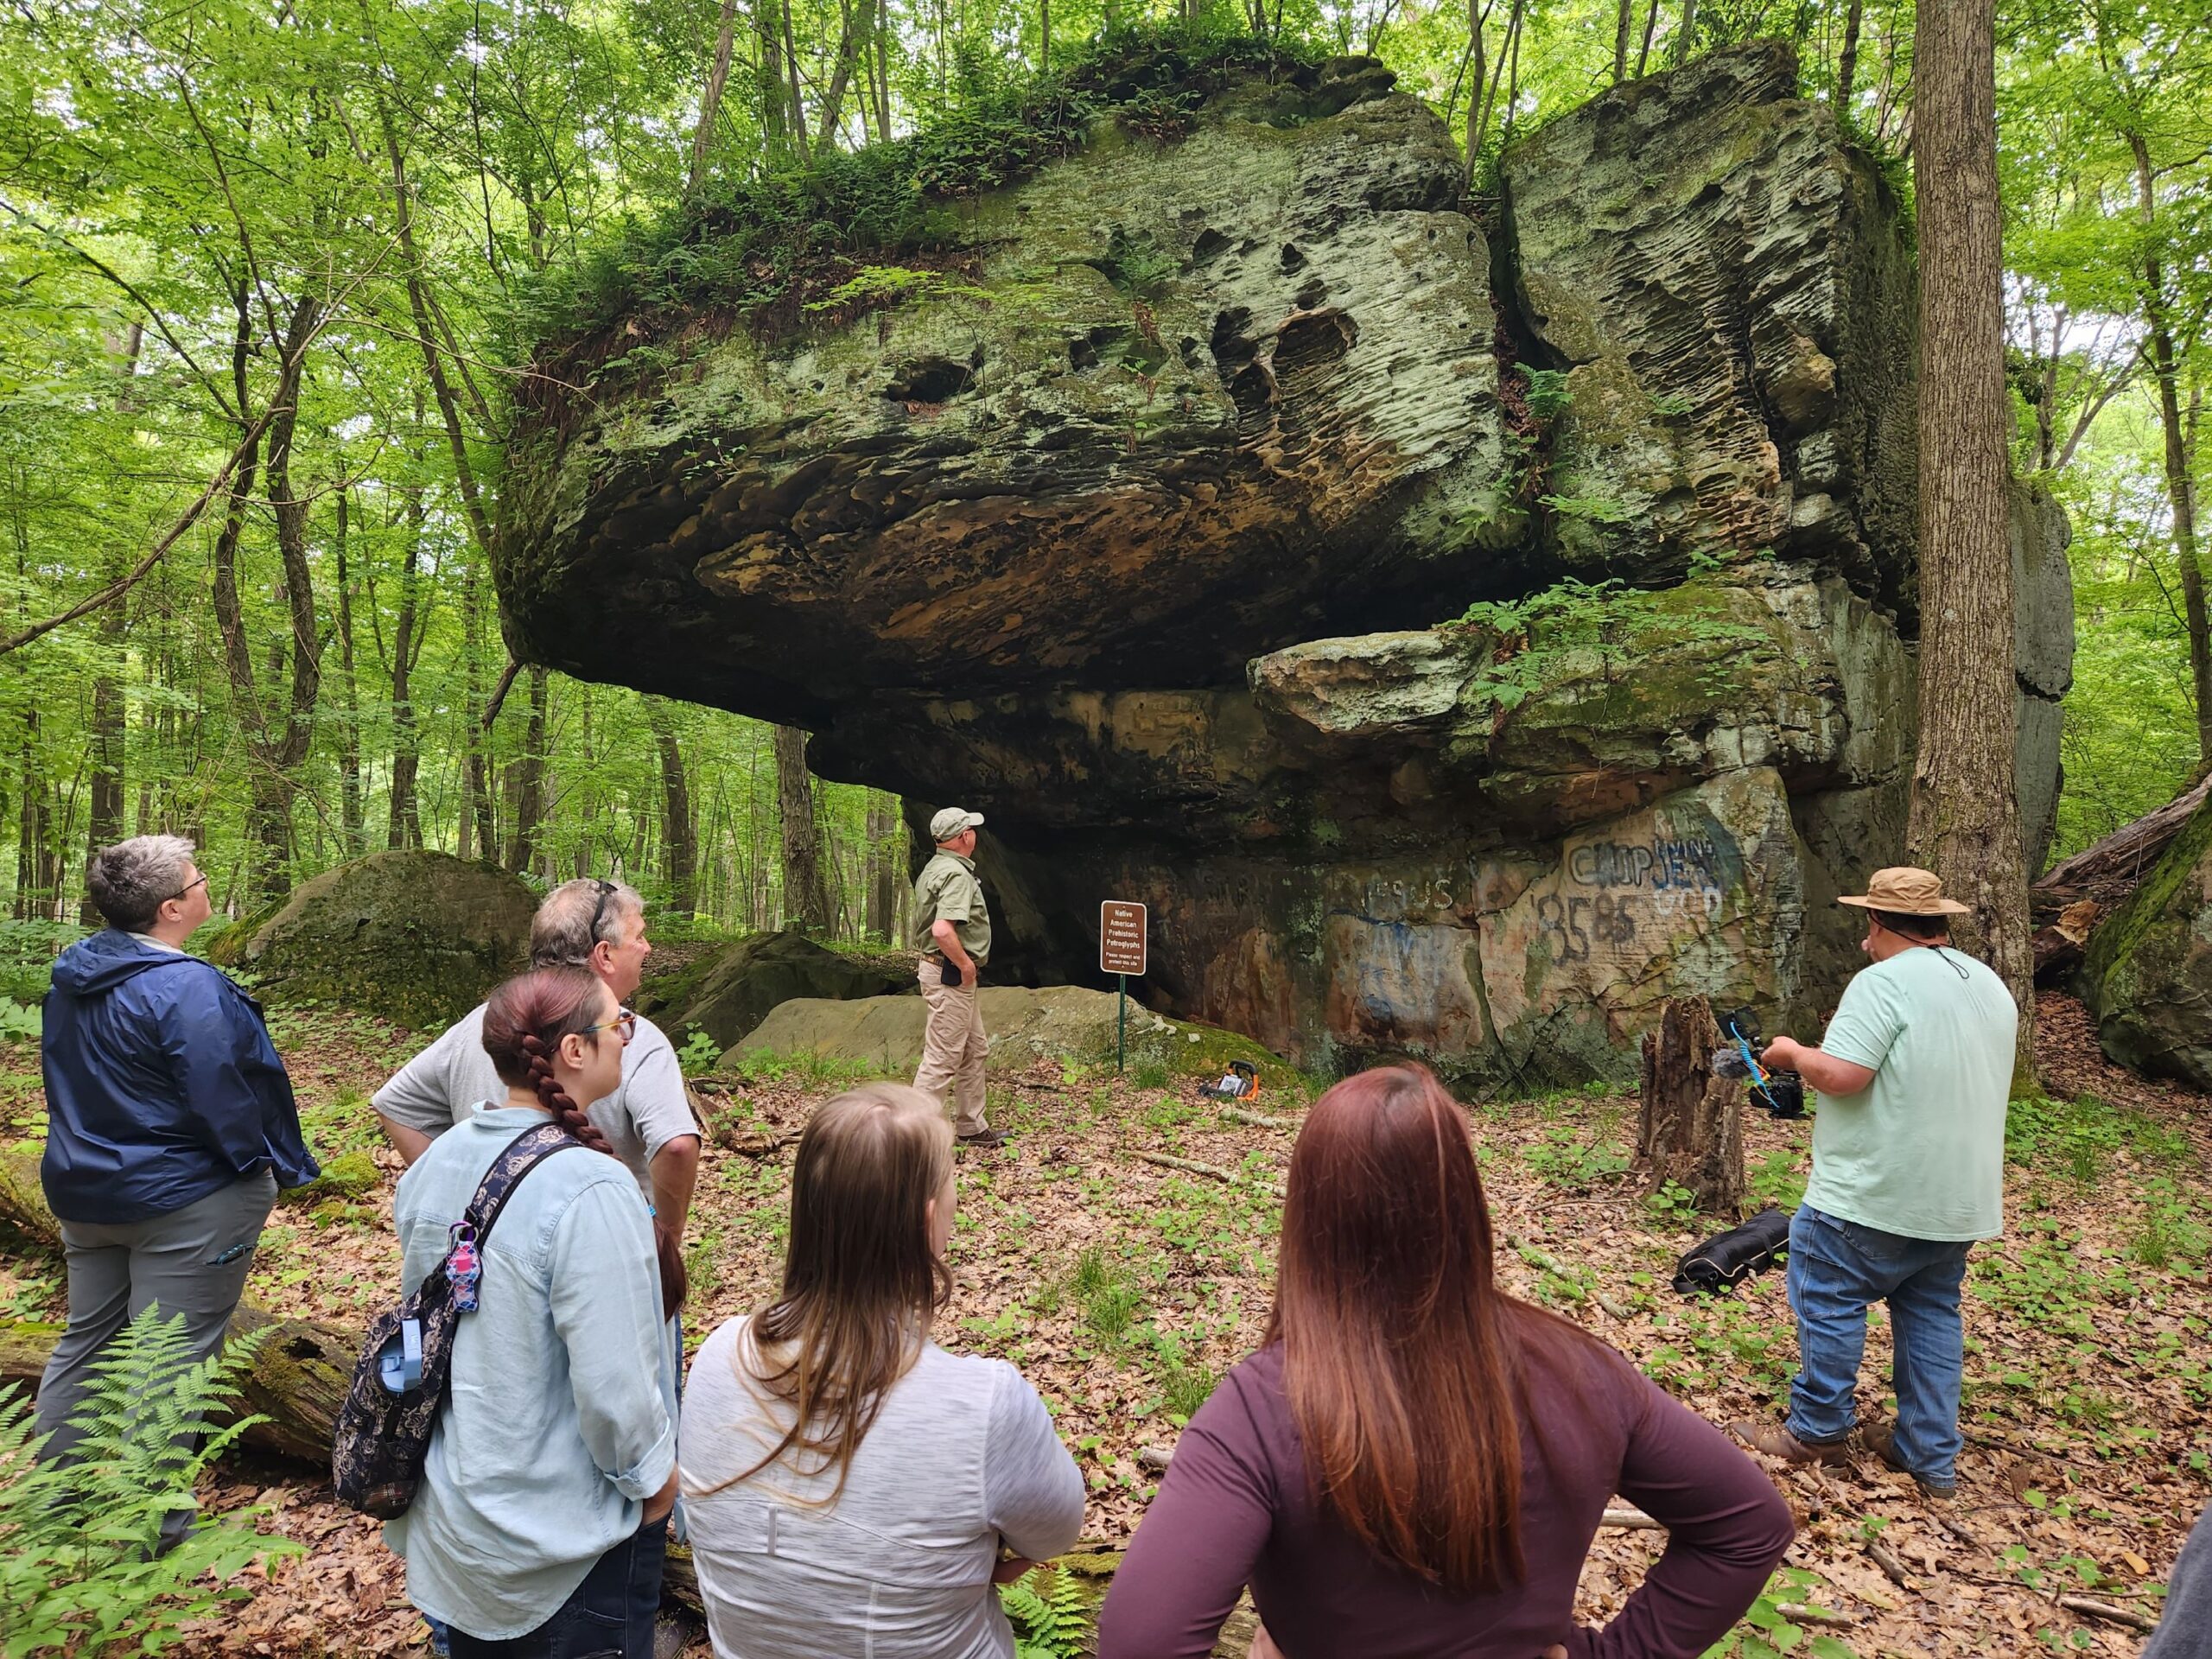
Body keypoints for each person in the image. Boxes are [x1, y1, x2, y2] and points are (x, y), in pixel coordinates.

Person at [1097, 1065, 1794, 1659]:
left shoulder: (1262, 1410)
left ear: (1309, 1215)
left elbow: (1138, 1643)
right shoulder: (1583, 1373)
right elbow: (1749, 1525)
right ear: (1465, 1202)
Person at [680, 1082, 1084, 1658]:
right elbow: (1056, 1532)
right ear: (926, 1223)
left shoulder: (718, 1357)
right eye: (951, 1184)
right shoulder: (984, 1408)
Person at [385, 967, 678, 1659]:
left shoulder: (438, 1160)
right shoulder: (593, 1187)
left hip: (451, 1517)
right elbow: (614, 1389)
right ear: (575, 1051)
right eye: (620, 1026)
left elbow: (413, 1334)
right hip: (562, 1542)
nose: (628, 1036)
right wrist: (654, 1484)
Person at [36, 836, 319, 1545]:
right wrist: (255, 1169)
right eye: (200, 879)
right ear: (172, 908)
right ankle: (156, 1531)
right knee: (174, 1357)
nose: (205, 886)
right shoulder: (186, 986)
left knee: (88, 1341)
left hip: (87, 1190)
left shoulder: (72, 977)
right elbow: (222, 1095)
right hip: (185, 1199)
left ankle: (52, 1504)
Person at [1732, 867, 2017, 1499]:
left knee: (1827, 1292)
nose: (1864, 941)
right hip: (1958, 1199)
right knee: (1930, 1315)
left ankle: (1817, 1433)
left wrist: (1790, 1054)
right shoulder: (1990, 985)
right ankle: (1928, 1457)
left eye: (1868, 926)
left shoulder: (1881, 982)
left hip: (1875, 1190)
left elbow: (1842, 1077)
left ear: (1880, 922)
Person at [373, 877, 700, 1270]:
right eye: (639, 937)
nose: (647, 948)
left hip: (491, 1261)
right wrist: (666, 1239)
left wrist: (460, 1195)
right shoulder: (628, 1036)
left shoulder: (487, 1021)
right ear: (605, 955)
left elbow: (395, 1104)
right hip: (608, 1259)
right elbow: (677, 1145)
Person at [912, 808, 1001, 1148]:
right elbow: (942, 930)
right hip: (949, 974)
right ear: (965, 836)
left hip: (944, 971)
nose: (974, 834)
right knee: (942, 1057)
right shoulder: (956, 875)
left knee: (975, 1048)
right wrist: (965, 966)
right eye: (971, 829)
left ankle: (971, 1125)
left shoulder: (935, 867)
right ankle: (915, 1138)